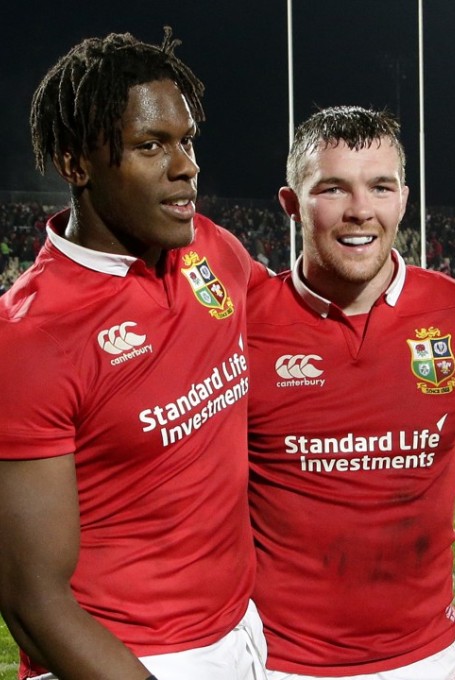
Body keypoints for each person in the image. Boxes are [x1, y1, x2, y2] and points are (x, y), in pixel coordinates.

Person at [246, 106, 455, 680]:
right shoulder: (237, 325)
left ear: (404, 199)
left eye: (380, 186)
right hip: (273, 665)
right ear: (291, 203)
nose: (361, 209)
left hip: (428, 663)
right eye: (333, 188)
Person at [0, 29, 269, 679]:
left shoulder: (209, 246)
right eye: (151, 145)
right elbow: (31, 598)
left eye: (187, 141)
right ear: (75, 164)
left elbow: (295, 322)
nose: (187, 166)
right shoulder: (32, 338)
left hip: (244, 633)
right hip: (130, 661)